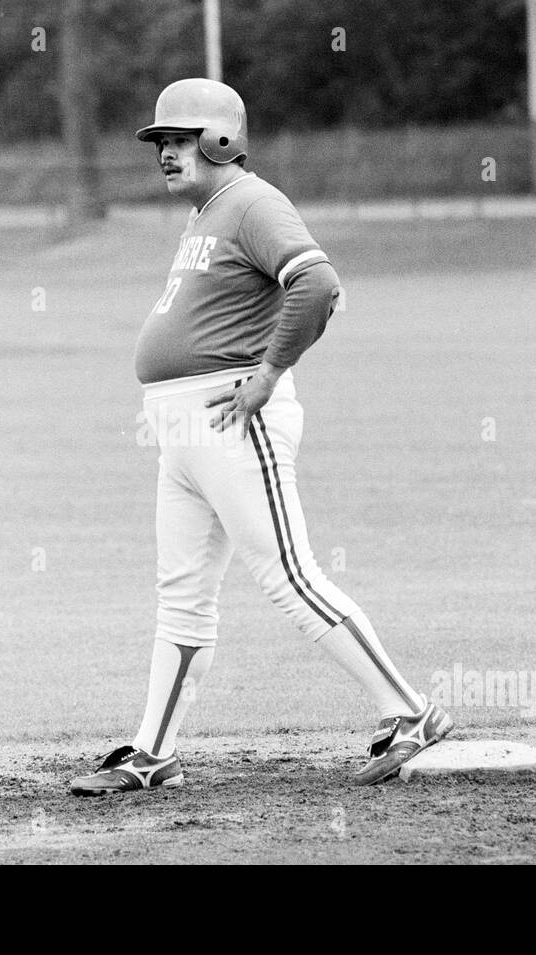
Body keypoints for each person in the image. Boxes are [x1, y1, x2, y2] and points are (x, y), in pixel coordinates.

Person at [69, 79, 452, 796]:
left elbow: (318, 284)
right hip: (183, 432)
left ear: (220, 141)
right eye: (160, 142)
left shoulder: (251, 202)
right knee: (181, 595)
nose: (165, 153)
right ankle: (154, 751)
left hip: (232, 422)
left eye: (178, 140)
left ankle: (412, 711)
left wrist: (270, 372)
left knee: (290, 577)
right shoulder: (207, 216)